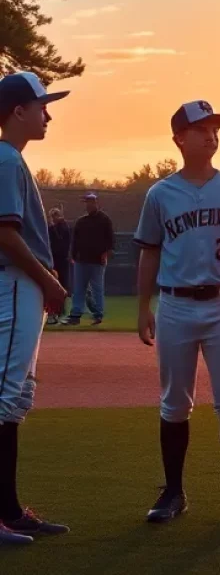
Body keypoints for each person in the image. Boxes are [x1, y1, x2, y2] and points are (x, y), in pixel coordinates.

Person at [134, 100, 220, 525]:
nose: (211, 135)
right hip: (175, 303)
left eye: (215, 129)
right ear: (179, 138)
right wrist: (143, 307)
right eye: (201, 129)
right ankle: (173, 492)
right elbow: (150, 252)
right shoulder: (160, 193)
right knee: (174, 403)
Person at [0, 72, 71, 545]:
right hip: (14, 283)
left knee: (14, 397)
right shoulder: (6, 159)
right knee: (5, 396)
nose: (48, 113)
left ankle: (8, 511)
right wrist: (48, 281)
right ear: (18, 110)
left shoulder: (11, 159)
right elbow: (5, 235)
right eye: (41, 105)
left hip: (22, 285)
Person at [62, 191, 114, 326]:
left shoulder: (104, 219)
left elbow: (111, 240)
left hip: (97, 260)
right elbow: (75, 240)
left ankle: (98, 314)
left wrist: (105, 254)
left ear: (97, 203)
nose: (89, 204)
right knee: (78, 288)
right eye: (87, 202)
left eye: (91, 202)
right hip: (81, 260)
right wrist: (72, 255)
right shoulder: (81, 221)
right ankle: (75, 315)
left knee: (97, 289)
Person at [46, 206, 72, 324]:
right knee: (53, 283)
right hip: (53, 259)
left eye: (56, 215)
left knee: (63, 284)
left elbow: (64, 240)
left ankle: (61, 311)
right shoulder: (51, 229)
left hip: (63, 259)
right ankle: (53, 312)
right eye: (52, 216)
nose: (54, 218)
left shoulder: (64, 227)